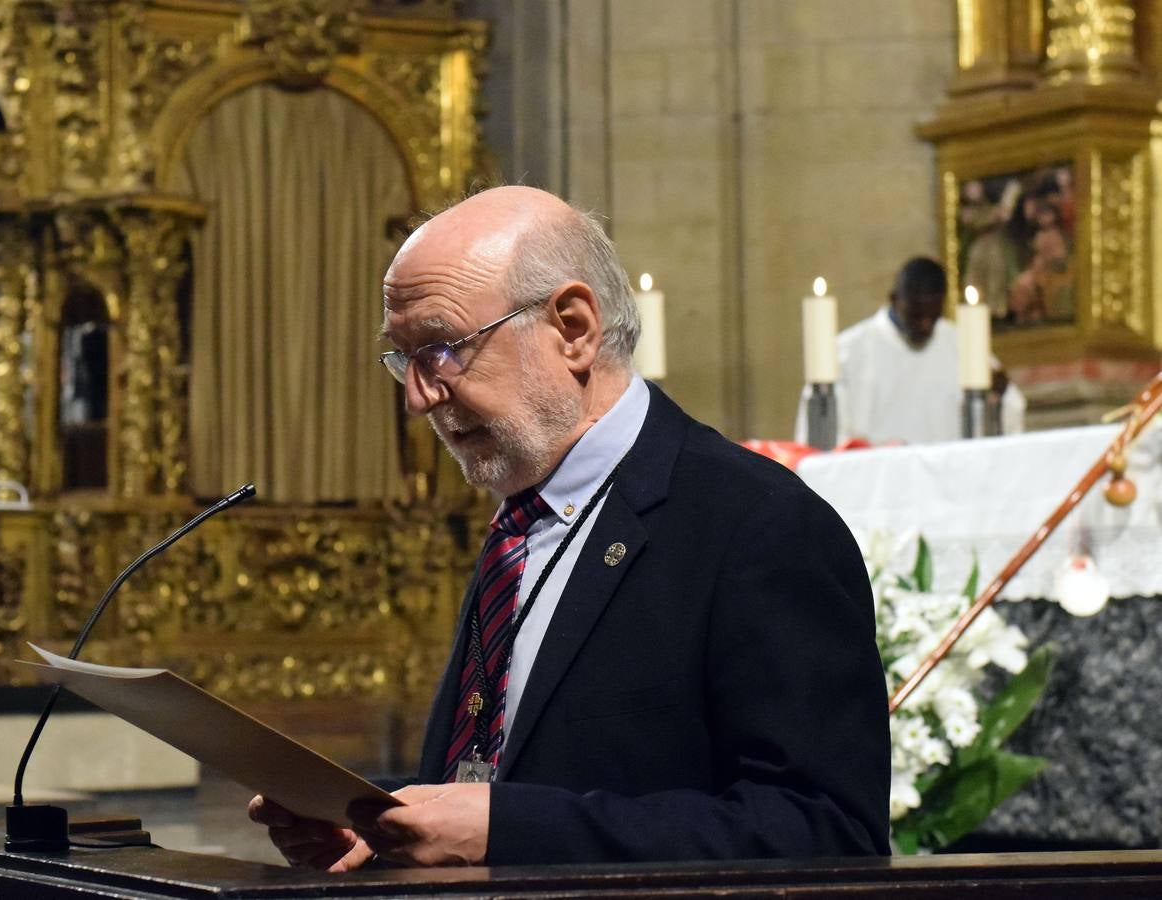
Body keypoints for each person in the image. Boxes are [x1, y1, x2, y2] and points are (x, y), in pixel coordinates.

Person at [251, 186, 890, 868]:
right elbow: (523, 766)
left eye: (440, 348)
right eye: (404, 358)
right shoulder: (522, 512)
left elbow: (826, 831)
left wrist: (510, 832)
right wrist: (379, 823)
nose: (417, 397)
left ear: (574, 328)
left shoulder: (759, 524)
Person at [794, 257, 1025, 446]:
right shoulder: (847, 352)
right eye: (916, 316)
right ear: (894, 299)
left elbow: (1009, 411)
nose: (924, 325)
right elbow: (823, 442)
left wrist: (997, 401)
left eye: (933, 316)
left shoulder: (963, 345)